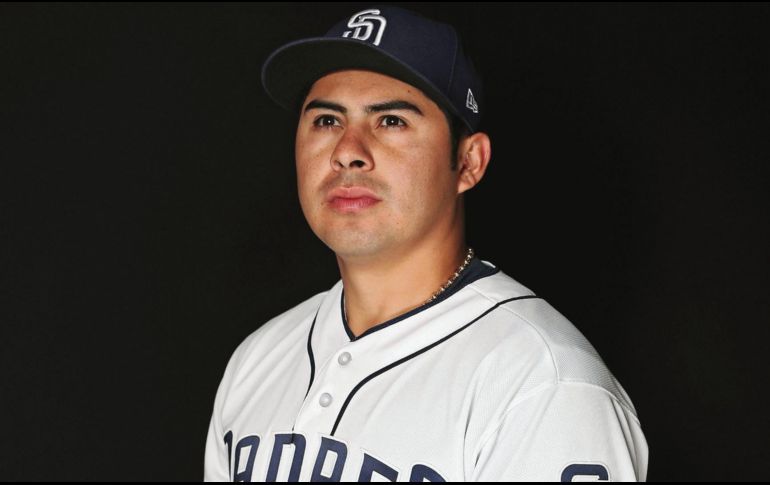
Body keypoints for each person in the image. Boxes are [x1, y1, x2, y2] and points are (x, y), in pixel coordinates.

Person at [204, 5, 648, 482]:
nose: (348, 152)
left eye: (391, 121)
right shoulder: (259, 359)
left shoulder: (545, 385)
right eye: (327, 121)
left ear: (469, 162)